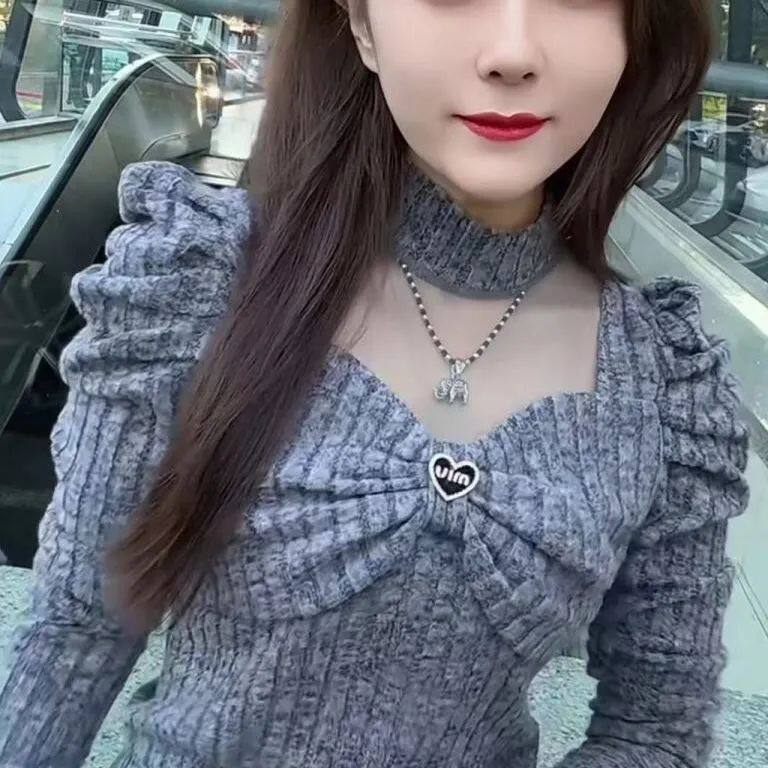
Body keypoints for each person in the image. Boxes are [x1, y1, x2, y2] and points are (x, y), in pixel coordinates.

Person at [0, 1, 753, 767]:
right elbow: (74, 634)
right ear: (361, 26)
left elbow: (657, 731)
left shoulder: (665, 379)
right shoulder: (198, 276)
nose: (513, 52)